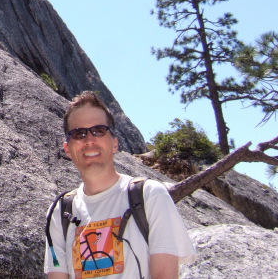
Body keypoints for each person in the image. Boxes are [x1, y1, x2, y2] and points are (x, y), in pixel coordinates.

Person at [44, 91, 196, 279]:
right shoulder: (60, 212)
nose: (89, 140)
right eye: (78, 133)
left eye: (99, 131)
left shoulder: (150, 195)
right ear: (67, 148)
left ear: (115, 143)